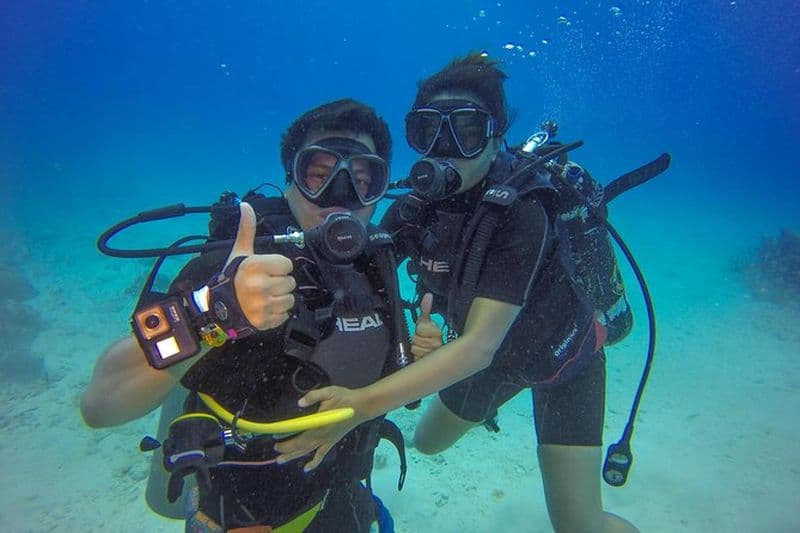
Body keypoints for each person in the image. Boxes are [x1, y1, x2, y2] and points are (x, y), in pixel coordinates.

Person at [273, 54, 639, 532]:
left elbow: (480, 346)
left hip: (561, 362)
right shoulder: (416, 208)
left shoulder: (523, 213)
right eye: (429, 131)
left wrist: (361, 406)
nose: (444, 148)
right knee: (426, 442)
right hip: (488, 361)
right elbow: (356, 267)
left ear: (495, 139)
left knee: (579, 525)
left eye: (465, 130)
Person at [81, 98, 407, 532]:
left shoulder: (372, 262)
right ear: (290, 181)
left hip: (337, 493)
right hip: (243, 517)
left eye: (363, 180)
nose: (340, 197)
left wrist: (416, 352)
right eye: (318, 175)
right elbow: (101, 404)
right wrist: (216, 312)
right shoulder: (231, 264)